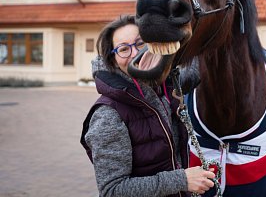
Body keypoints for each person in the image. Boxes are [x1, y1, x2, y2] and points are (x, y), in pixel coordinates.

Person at [80, 15, 215, 197]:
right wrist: (182, 180)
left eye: (141, 43)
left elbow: (195, 67)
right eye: (124, 49)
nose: (136, 54)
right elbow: (112, 190)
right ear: (113, 61)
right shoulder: (108, 115)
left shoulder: (164, 86)